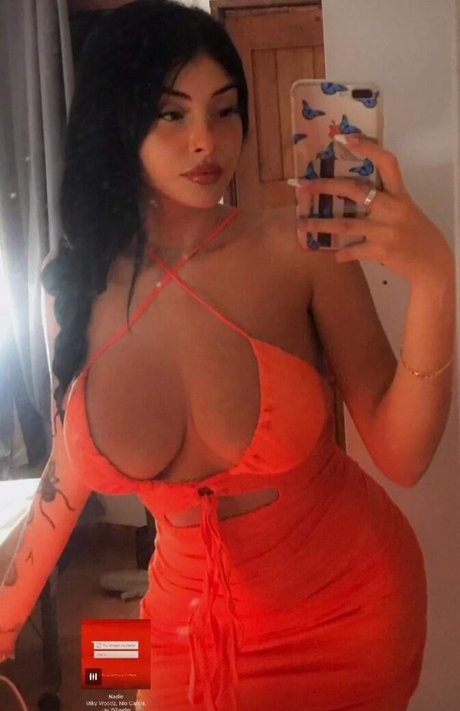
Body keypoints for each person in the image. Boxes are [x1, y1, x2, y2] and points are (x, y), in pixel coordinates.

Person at [0, 1, 455, 709]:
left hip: (349, 615)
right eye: (172, 113)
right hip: (175, 629)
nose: (206, 141)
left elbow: (402, 458)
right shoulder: (71, 283)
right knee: (106, 680)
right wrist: (4, 622)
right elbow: (67, 477)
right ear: (116, 122)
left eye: (225, 110)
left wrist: (436, 280)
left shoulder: (298, 250)